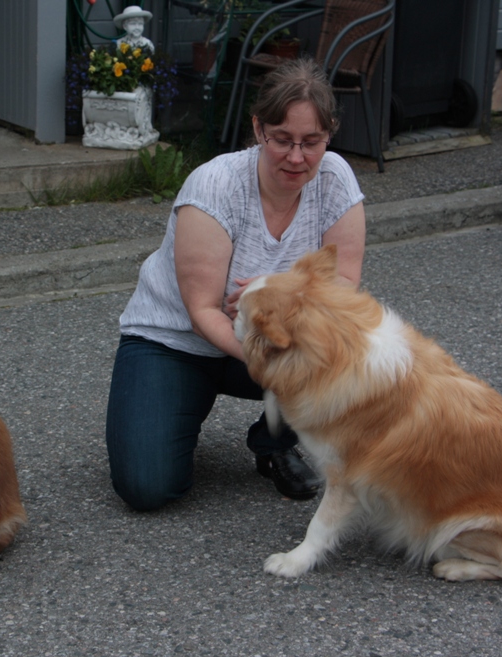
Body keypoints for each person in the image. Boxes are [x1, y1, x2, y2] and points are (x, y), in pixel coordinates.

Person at [105, 57, 366, 512]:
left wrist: (273, 288)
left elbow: (342, 285)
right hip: (177, 341)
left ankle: (274, 441)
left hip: (265, 337)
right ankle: (176, 404)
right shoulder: (215, 185)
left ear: (330, 135)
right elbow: (204, 309)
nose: (297, 157)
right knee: (147, 487)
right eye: (282, 139)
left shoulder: (335, 177)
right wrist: (273, 357)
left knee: (354, 350)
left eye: (312, 142)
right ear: (259, 128)